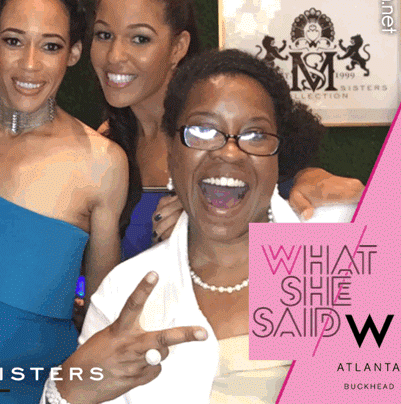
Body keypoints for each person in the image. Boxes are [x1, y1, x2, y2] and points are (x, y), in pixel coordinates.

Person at [44, 49, 351, 404]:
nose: (230, 152)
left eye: (255, 134)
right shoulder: (124, 293)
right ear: (170, 150)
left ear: (279, 154)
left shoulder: (337, 257)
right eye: (203, 130)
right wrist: (67, 392)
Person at [89, 0, 364, 258]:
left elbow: (302, 206)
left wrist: (220, 223)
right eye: (104, 35)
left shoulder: (232, 131)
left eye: (140, 39)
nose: (114, 55)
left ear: (178, 47)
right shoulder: (106, 143)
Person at [0, 0, 128, 402]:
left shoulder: (102, 162)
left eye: (50, 46)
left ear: (73, 53)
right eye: (13, 41)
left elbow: (101, 320)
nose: (29, 64)